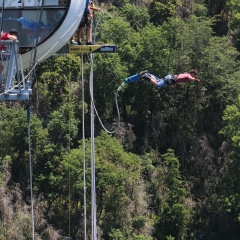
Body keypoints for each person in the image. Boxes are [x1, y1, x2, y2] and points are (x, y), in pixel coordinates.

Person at [125, 69, 200, 88]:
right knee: (157, 85)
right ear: (192, 73)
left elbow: (178, 78)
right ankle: (146, 76)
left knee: (157, 80)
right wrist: (195, 80)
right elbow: (190, 78)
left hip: (170, 77)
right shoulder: (188, 76)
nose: (194, 76)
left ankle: (148, 74)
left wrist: (176, 84)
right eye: (194, 75)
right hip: (170, 80)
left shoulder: (185, 74)